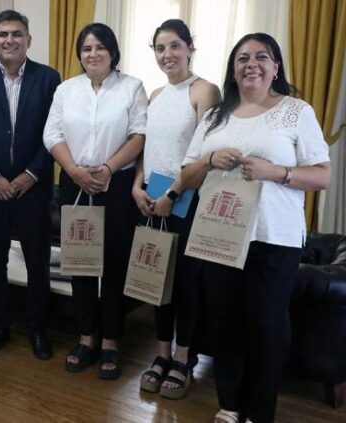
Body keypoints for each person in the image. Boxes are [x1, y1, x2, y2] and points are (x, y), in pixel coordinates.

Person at [174, 33, 330, 422]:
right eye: (243, 58)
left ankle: (260, 412)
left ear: (276, 67)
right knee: (224, 321)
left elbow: (323, 175)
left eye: (262, 57)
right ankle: (229, 404)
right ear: (233, 69)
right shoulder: (215, 116)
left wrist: (277, 172)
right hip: (219, 235)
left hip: (273, 237)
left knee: (267, 325)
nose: (252, 64)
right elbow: (187, 177)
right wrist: (209, 159)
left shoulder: (296, 111)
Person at [43, 23, 147, 379]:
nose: (93, 53)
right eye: (86, 48)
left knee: (115, 263)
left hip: (115, 184)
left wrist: (107, 168)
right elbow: (51, 134)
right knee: (80, 262)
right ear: (80, 54)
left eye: (100, 47)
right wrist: (74, 171)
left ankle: (111, 340)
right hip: (75, 183)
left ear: (113, 51)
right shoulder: (66, 90)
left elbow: (139, 134)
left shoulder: (131, 87)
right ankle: (87, 336)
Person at [0, 10, 60, 360]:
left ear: (28, 40)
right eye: (3, 34)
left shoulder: (49, 79)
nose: (9, 40)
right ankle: (0, 325)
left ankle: (37, 328)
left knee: (37, 261)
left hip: (33, 189)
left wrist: (30, 175)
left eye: (16, 34)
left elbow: (54, 134)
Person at [132, 19, 220, 398]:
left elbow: (203, 155)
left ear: (189, 48)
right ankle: (162, 353)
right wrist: (137, 185)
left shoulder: (205, 90)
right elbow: (148, 149)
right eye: (160, 48)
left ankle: (184, 358)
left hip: (188, 198)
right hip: (153, 197)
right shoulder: (154, 95)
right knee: (157, 278)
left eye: (174, 46)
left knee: (186, 282)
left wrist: (173, 194)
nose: (167, 54)